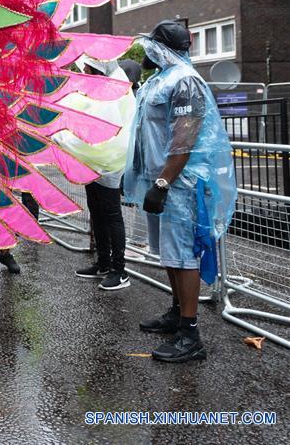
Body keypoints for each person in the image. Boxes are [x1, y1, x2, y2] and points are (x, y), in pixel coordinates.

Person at [123, 20, 236, 363]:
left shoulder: (184, 80)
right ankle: (176, 311)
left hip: (179, 185)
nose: (145, 53)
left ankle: (191, 333)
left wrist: (163, 183)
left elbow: (184, 138)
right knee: (169, 254)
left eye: (150, 47)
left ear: (161, 48)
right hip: (159, 181)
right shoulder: (159, 79)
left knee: (184, 254)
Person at [55, 57, 136, 290]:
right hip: (95, 162)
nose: (85, 71)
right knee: (97, 211)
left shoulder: (113, 92)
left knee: (110, 214)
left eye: (88, 67)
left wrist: (61, 136)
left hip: (108, 163)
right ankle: (103, 263)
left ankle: (119, 271)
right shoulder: (103, 89)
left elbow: (98, 131)